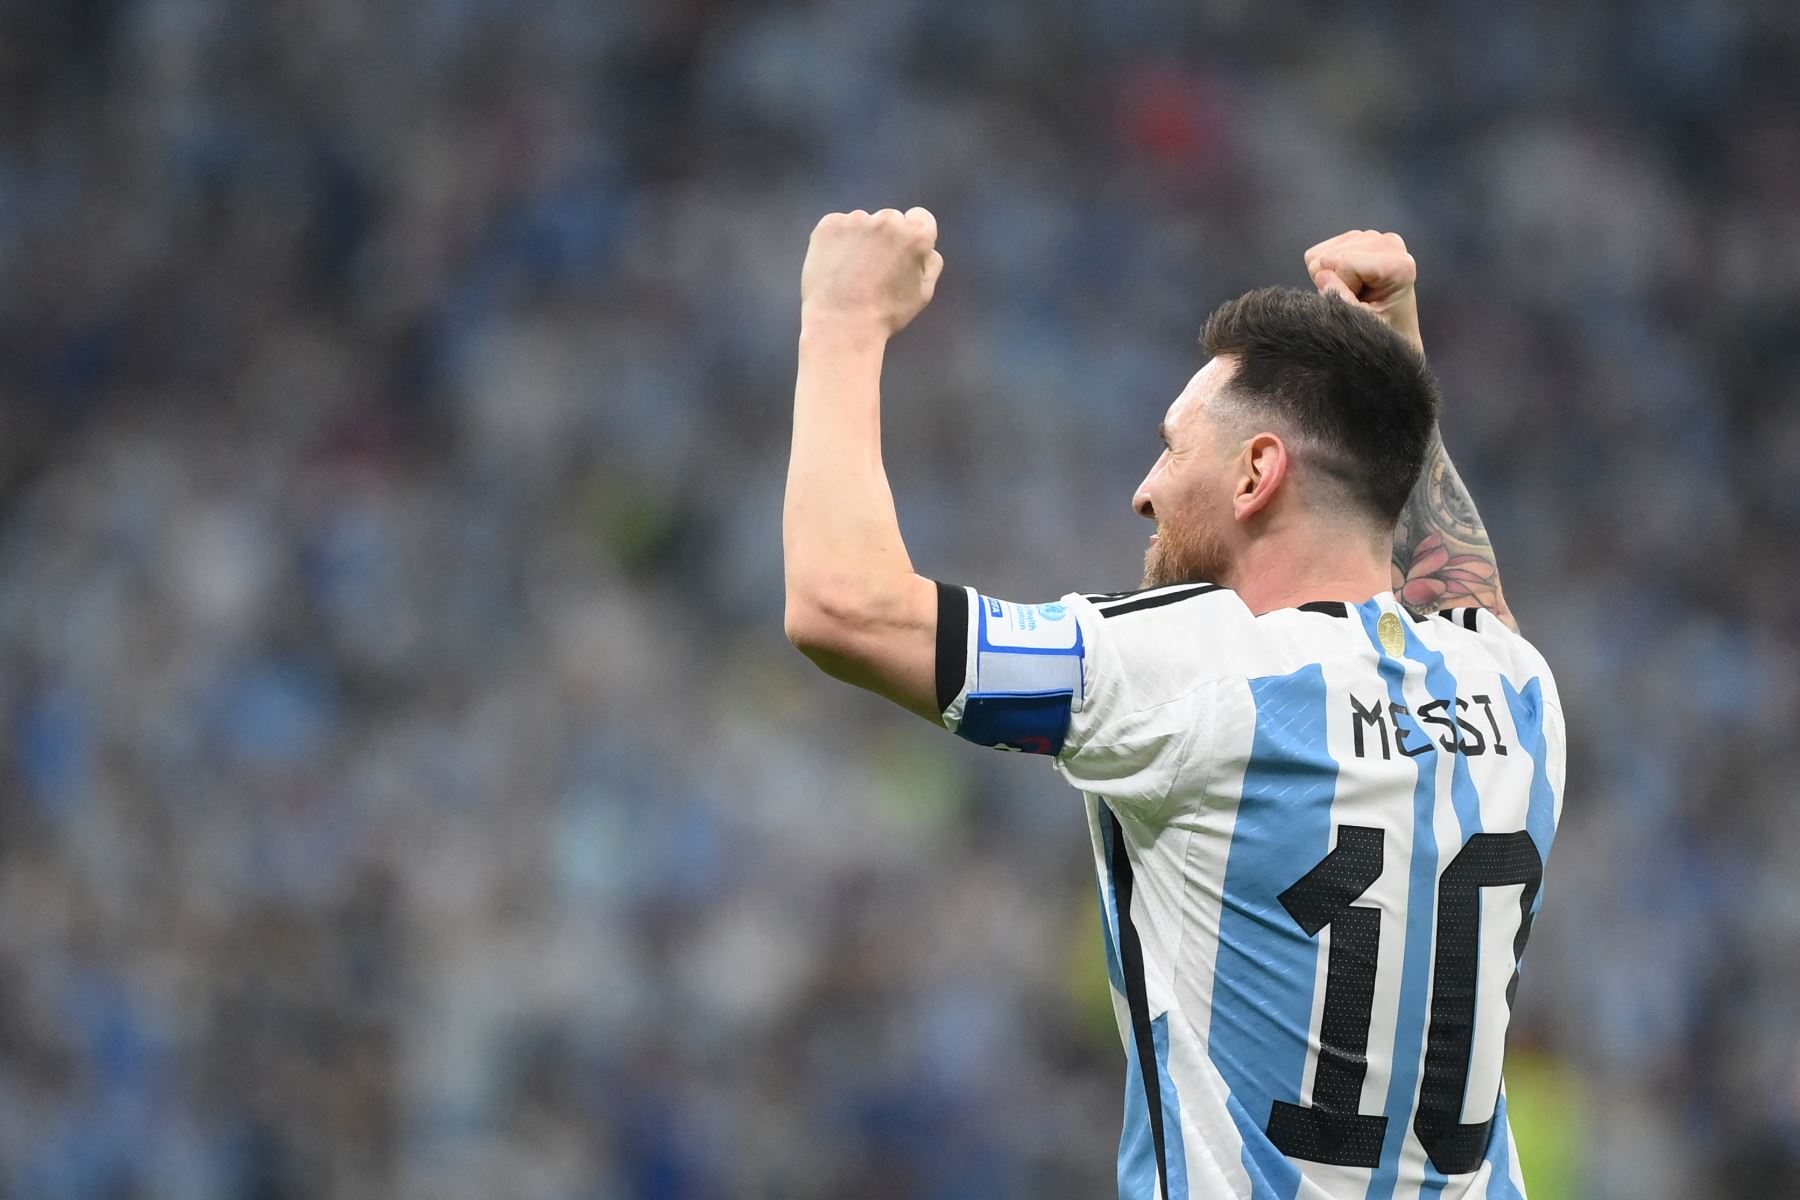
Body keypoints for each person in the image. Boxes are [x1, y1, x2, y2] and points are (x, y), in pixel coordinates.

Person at [783, 211, 1565, 1200]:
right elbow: (1453, 576)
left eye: (1171, 446)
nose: (1144, 491)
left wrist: (842, 317)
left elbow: (840, 609)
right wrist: (1387, 361)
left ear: (1256, 472)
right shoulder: (1517, 698)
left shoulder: (1196, 672)